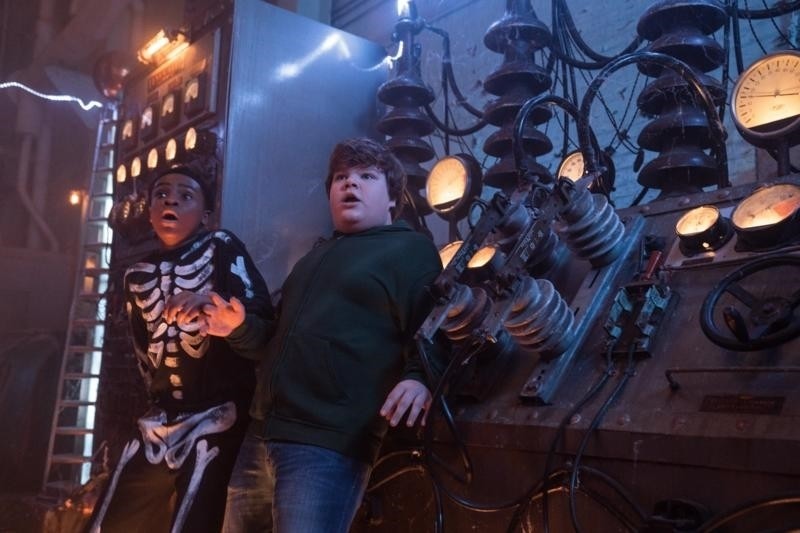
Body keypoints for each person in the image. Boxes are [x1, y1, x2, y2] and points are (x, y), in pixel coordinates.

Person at [207, 137, 445, 533]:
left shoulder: (410, 251)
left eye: (366, 176)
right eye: (341, 177)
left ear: (392, 198)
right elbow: (273, 344)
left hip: (328, 442)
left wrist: (420, 377)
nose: (350, 183)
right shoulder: (312, 258)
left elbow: (435, 324)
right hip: (261, 432)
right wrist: (239, 328)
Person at [88, 162, 274, 533]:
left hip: (219, 414)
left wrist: (212, 302)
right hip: (161, 417)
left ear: (206, 214)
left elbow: (260, 316)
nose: (171, 200)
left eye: (185, 196)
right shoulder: (136, 274)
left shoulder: (222, 246)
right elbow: (143, 351)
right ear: (150, 211)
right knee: (109, 520)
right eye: (161, 194)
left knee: (195, 519)